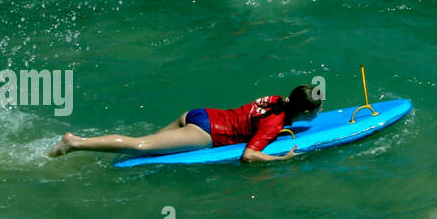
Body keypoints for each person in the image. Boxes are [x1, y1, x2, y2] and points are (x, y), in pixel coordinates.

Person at [48, 85, 322, 162]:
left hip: (199, 114)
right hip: (205, 132)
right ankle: (76, 143)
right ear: (306, 112)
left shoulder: (276, 100)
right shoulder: (273, 124)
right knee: (141, 146)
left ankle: (65, 150)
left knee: (146, 149)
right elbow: (249, 155)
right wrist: (282, 159)